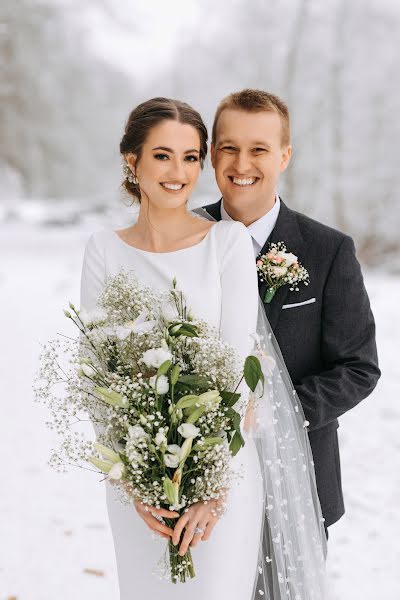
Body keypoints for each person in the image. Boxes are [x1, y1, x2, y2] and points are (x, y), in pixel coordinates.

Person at [80, 97, 327, 599]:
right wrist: (133, 481)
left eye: (191, 157)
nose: (179, 172)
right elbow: (96, 374)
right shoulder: (104, 248)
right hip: (139, 485)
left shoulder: (227, 242)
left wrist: (212, 489)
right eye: (163, 155)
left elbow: (236, 367)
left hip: (223, 474)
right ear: (133, 160)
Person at [198, 89, 381, 540]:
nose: (242, 165)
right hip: (196, 485)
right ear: (210, 155)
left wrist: (276, 412)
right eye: (230, 148)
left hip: (300, 484)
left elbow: (359, 368)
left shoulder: (328, 251)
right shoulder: (182, 239)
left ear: (284, 156)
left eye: (259, 149)